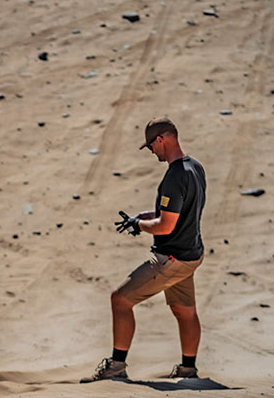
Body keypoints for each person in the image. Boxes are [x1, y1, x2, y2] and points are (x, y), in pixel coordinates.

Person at [81, 116, 207, 382]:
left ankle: (116, 366)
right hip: (191, 255)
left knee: (121, 300)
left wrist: (140, 225)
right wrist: (141, 216)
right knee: (184, 311)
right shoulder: (195, 168)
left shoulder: (174, 176)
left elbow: (165, 225)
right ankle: (188, 370)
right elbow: (181, 213)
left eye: (151, 147)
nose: (152, 152)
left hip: (170, 259)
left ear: (161, 140)